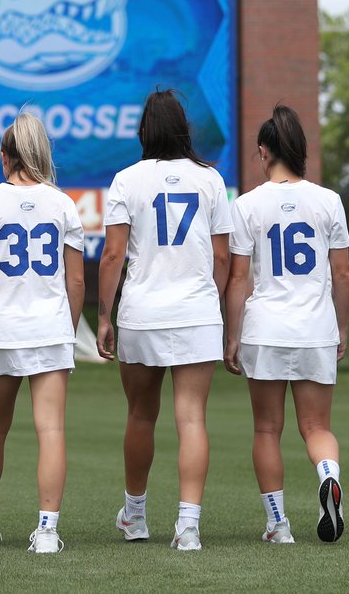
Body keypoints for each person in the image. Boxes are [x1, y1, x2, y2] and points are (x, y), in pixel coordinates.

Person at [95, 89, 233, 551]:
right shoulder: (211, 179)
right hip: (196, 311)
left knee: (140, 415)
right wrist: (209, 299)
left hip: (142, 311)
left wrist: (102, 314)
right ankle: (188, 526)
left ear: (144, 130)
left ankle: (135, 517)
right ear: (184, 129)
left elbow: (114, 254)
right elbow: (220, 255)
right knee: (191, 417)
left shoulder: (126, 180)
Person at [223, 104, 349, 544]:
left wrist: (232, 336)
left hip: (265, 329)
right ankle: (328, 475)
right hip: (316, 327)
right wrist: (343, 327)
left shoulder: (246, 205)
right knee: (317, 428)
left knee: (267, 429)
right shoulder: (329, 201)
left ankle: (279, 524)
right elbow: (344, 274)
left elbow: (239, 278)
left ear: (264, 151)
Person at [0, 113, 85, 554]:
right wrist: (66, 331)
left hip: (2, 328)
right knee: (51, 429)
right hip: (50, 328)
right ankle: (48, 530)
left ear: (5, 155)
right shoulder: (64, 204)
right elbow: (76, 282)